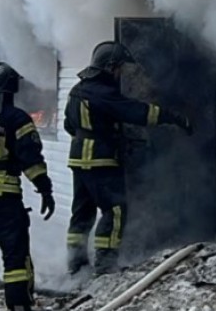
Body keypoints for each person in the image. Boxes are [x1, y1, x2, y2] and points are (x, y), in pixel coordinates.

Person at [64, 41, 192, 275]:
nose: (120, 72)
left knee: (82, 212)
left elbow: (68, 125)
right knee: (115, 210)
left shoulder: (77, 90)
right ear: (110, 66)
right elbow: (139, 112)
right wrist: (174, 117)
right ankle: (105, 264)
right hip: (100, 161)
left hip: (77, 161)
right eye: (120, 67)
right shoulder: (104, 93)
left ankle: (76, 263)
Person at [0, 62, 56, 311]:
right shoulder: (17, 119)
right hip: (4, 200)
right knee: (15, 256)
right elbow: (30, 159)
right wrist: (45, 189)